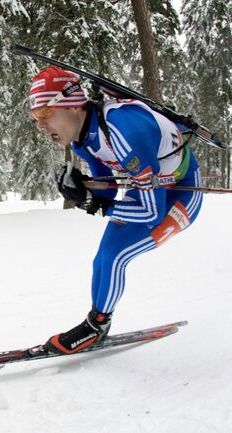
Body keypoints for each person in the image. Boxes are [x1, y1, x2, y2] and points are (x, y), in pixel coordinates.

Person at [29, 66, 203, 355]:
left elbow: (151, 214)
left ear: (72, 105)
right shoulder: (83, 136)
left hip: (181, 193)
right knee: (104, 257)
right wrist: (84, 188)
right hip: (150, 187)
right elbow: (106, 186)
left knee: (116, 256)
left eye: (46, 114)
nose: (40, 125)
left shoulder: (124, 131)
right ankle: (98, 323)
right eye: (36, 117)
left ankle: (95, 327)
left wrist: (94, 203)